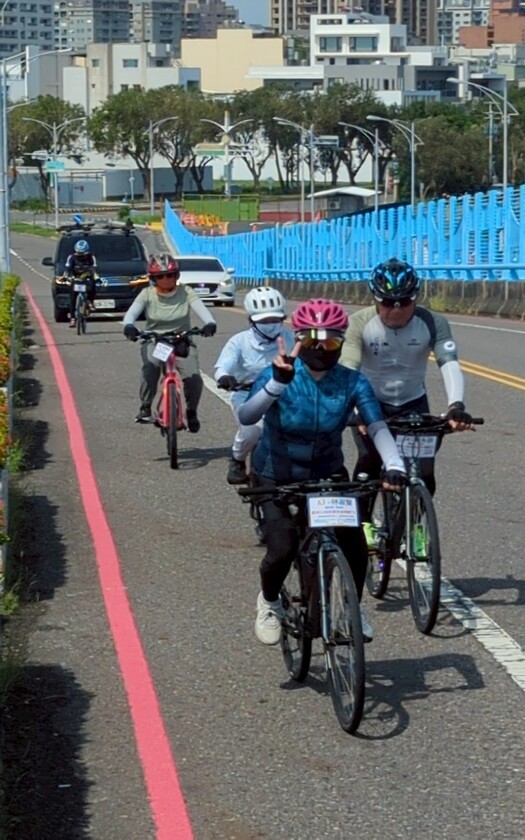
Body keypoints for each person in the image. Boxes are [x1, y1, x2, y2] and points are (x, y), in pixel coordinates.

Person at [237, 298, 407, 646]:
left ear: (342, 342)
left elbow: (376, 426)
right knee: (282, 549)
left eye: (330, 341)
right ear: (297, 337)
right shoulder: (280, 371)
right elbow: (247, 417)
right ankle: (269, 603)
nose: (321, 348)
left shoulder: (352, 382)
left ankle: (352, 606)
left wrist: (394, 466)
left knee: (355, 545)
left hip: (327, 473)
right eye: (312, 340)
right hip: (276, 473)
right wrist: (276, 385)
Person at [341, 258, 473, 505]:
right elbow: (349, 369)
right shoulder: (359, 323)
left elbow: (449, 363)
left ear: (416, 298)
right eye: (388, 303)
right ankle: (364, 525)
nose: (396, 310)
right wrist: (355, 409)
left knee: (423, 474)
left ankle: (415, 525)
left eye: (405, 303)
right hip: (371, 403)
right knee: (369, 464)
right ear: (375, 299)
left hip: (413, 402)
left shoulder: (433, 322)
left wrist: (456, 405)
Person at [122, 255, 217, 429]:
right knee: (151, 365)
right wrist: (129, 326)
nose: (166, 279)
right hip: (155, 340)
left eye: (170, 275)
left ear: (177, 275)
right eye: (160, 276)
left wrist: (209, 324)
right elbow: (131, 314)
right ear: (153, 278)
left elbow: (202, 311)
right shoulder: (147, 294)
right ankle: (145, 406)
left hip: (182, 340)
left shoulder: (186, 292)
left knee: (194, 377)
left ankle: (191, 412)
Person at [214, 286, 295, 485]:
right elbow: (222, 366)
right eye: (264, 321)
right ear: (251, 320)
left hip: (285, 395)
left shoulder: (290, 338)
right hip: (247, 394)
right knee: (251, 430)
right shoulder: (239, 341)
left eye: (275, 319)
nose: (271, 325)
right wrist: (224, 377)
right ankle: (237, 459)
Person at [64, 239, 99, 328]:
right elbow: (67, 269)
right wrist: (66, 276)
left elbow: (94, 269)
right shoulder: (71, 257)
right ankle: (72, 319)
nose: (80, 256)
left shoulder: (91, 257)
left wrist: (95, 277)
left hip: (87, 278)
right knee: (72, 299)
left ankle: (90, 302)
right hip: (75, 278)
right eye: (78, 254)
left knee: (93, 286)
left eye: (82, 254)